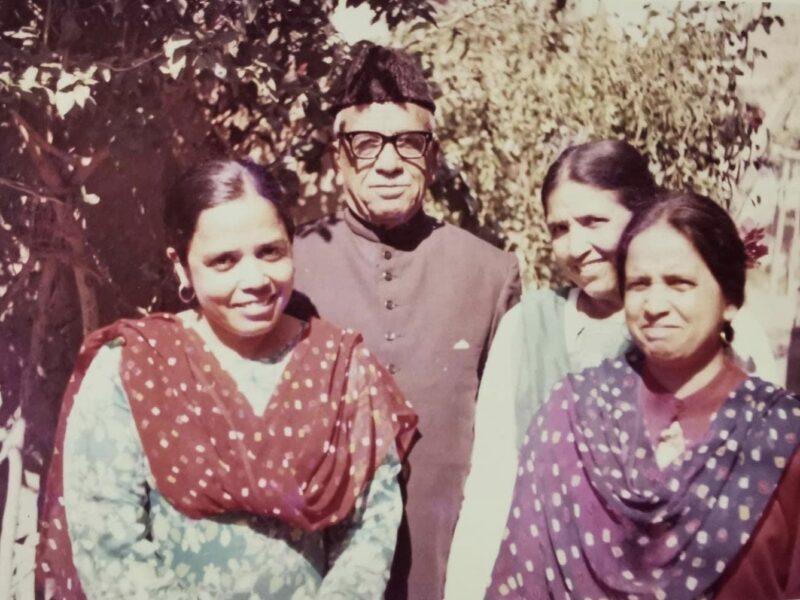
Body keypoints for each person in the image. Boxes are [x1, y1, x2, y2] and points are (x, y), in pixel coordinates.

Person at [36, 160, 418, 599]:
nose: (254, 279)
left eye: (270, 252)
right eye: (224, 261)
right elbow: (108, 541)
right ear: (181, 266)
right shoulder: (133, 367)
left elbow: (371, 525)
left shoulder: (341, 367)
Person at [445, 140, 778, 600]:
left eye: (593, 222)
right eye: (560, 229)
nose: (576, 247)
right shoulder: (527, 327)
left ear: (642, 216)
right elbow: (491, 486)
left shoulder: (719, 331)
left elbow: (762, 493)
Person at [289, 45, 521, 599]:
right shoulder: (290, 267)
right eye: (366, 144)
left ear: (432, 157)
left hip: (451, 565)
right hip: (317, 565)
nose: (389, 163)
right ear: (339, 157)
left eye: (409, 143)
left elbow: (508, 441)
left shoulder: (491, 273)